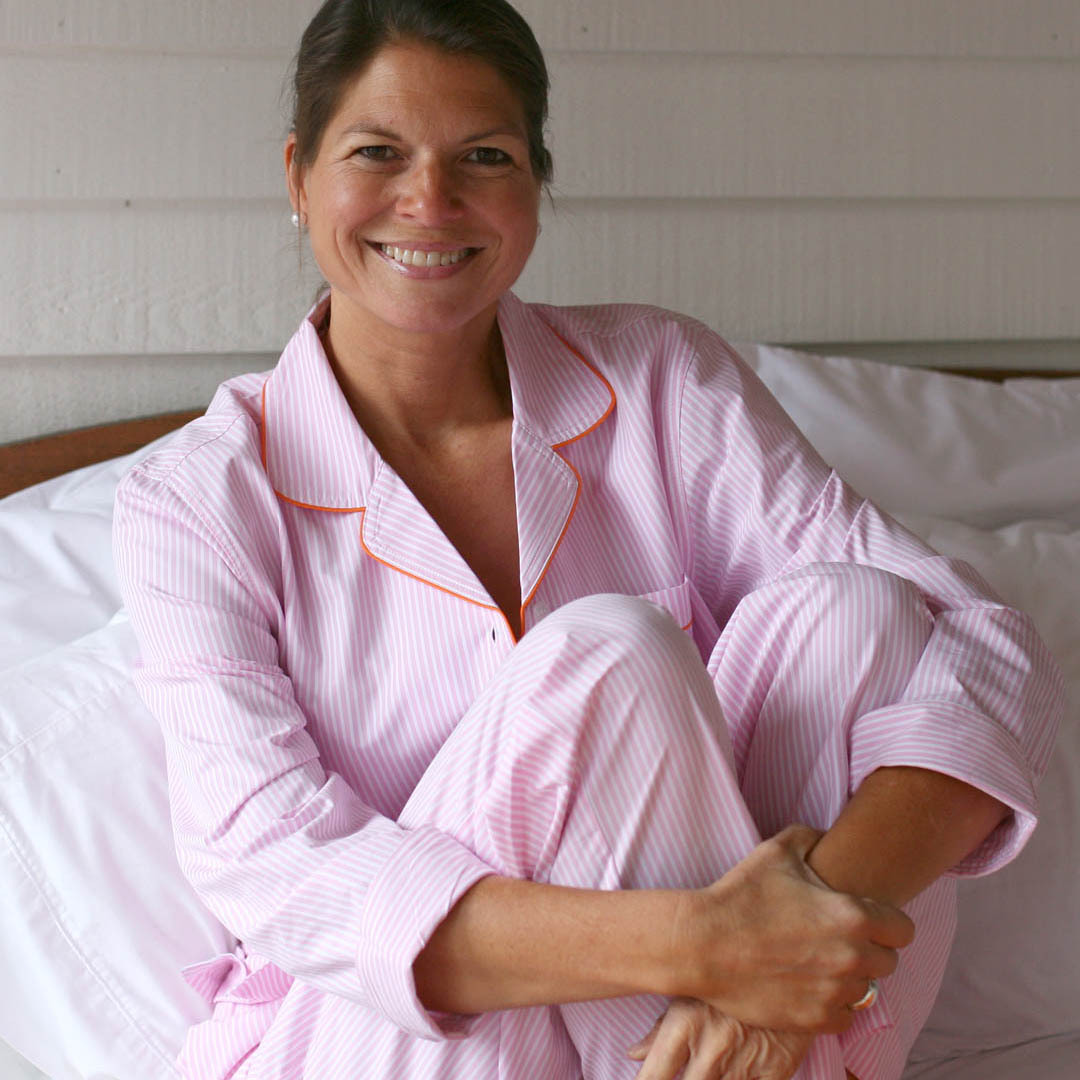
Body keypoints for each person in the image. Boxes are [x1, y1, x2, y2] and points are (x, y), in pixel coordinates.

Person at [112, 1, 1062, 1077]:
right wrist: (712, 944)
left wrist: (791, 956)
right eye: (377, 152)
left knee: (859, 613)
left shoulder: (662, 381)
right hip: (381, 1037)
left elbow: (981, 638)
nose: (430, 200)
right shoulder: (196, 500)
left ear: (535, 183)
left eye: (485, 155)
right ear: (299, 176)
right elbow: (277, 864)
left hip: (750, 1040)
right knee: (611, 659)